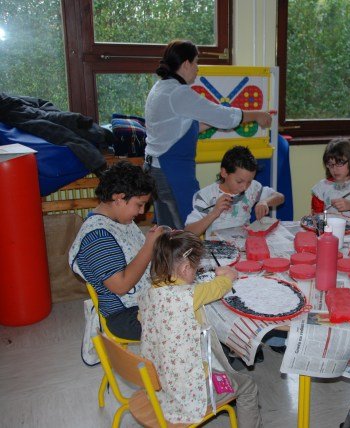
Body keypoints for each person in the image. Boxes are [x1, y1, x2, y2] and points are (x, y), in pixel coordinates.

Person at [144, 39, 272, 229]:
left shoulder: (160, 88)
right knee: (185, 229)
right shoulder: (178, 93)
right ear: (186, 64)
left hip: (158, 169)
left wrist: (219, 122)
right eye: (196, 62)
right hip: (171, 172)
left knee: (168, 229)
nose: (197, 68)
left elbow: (184, 128)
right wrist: (257, 115)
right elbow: (223, 115)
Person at [139, 230, 262, 426]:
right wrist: (228, 275)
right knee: (248, 386)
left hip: (158, 384)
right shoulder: (188, 295)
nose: (196, 273)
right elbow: (217, 288)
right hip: (191, 393)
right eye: (195, 269)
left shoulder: (149, 292)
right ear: (186, 268)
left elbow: (142, 317)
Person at [69, 161, 161, 340]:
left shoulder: (120, 221)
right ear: (119, 198)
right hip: (124, 315)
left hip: (142, 301)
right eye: (139, 204)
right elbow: (120, 286)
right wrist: (149, 247)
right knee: (190, 317)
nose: (142, 211)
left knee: (198, 297)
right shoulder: (97, 237)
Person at [185, 145, 284, 237]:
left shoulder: (253, 187)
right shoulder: (205, 196)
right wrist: (214, 213)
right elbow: (188, 232)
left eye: (249, 181)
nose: (244, 187)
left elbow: (280, 197)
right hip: (216, 246)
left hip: (243, 243)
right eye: (239, 181)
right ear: (224, 173)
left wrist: (265, 202)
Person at [311, 138, 350, 226]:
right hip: (330, 232)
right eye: (330, 164)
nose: (335, 169)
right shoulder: (321, 188)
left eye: (340, 163)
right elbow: (316, 219)